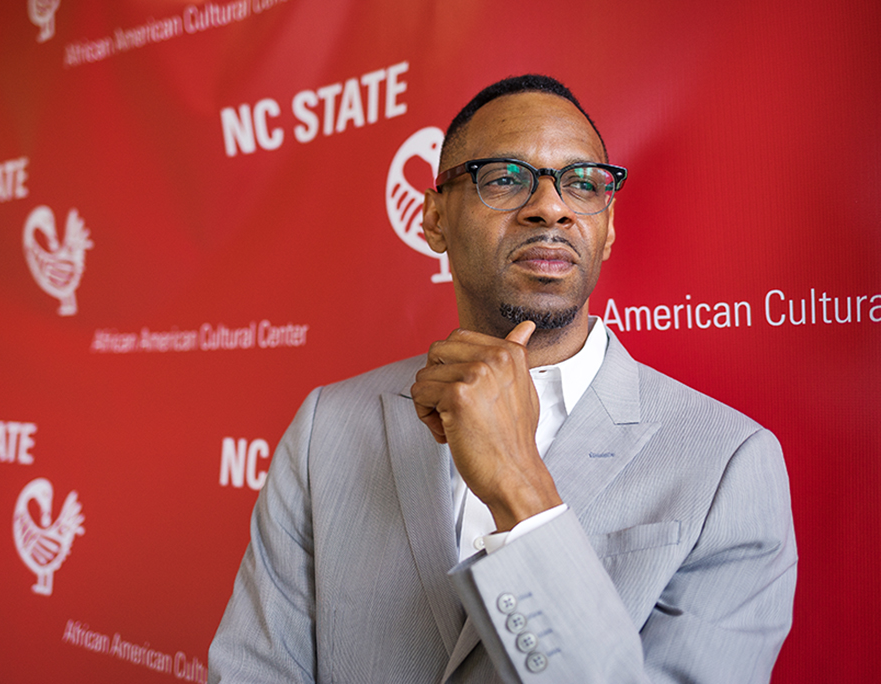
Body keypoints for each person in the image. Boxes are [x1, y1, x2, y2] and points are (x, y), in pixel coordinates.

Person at [208, 75, 797, 683]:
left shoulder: (731, 462)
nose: (552, 205)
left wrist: (520, 490)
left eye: (584, 183)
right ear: (433, 218)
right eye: (506, 178)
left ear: (609, 227)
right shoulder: (326, 425)